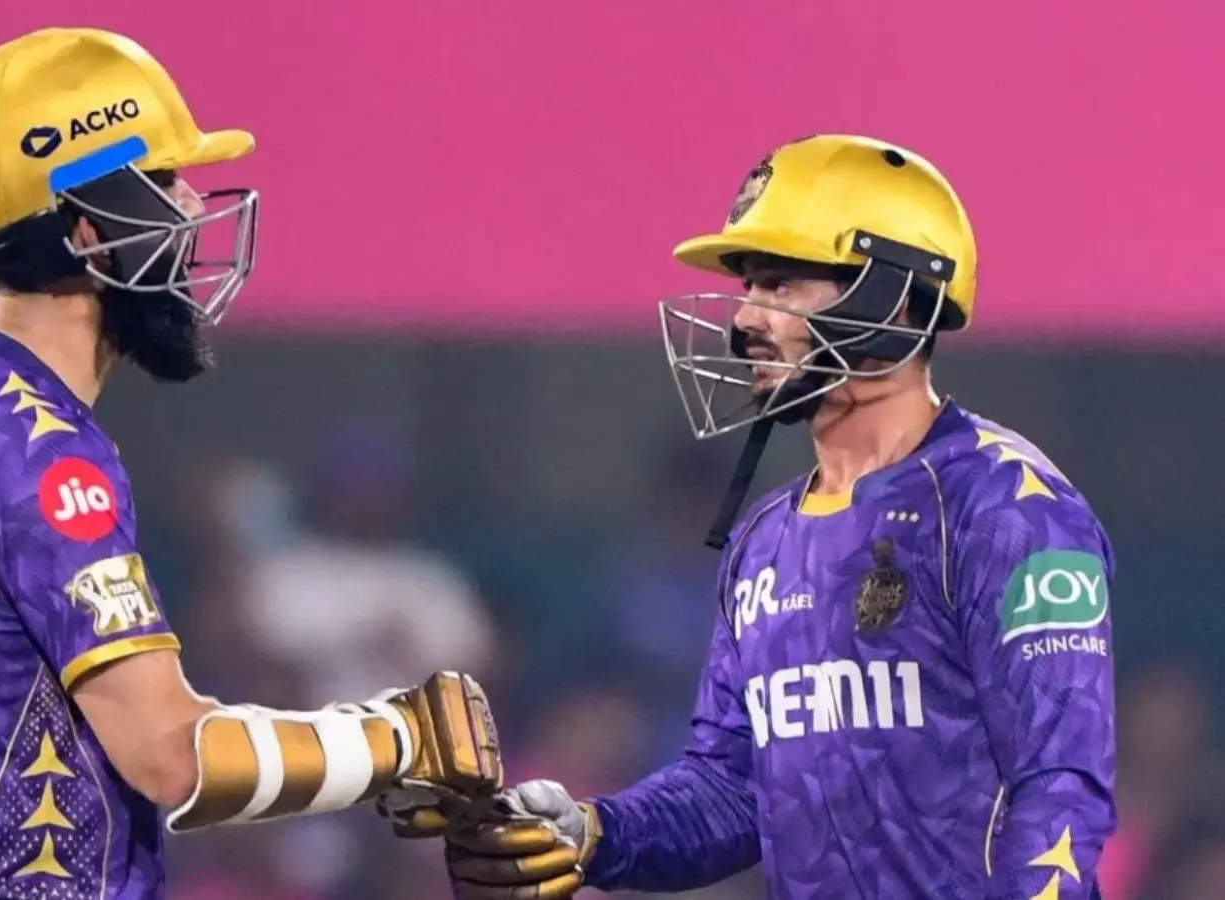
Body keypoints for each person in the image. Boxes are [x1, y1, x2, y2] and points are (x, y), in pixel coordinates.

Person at [0, 27, 501, 899]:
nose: (194, 208)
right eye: (164, 182)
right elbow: (170, 754)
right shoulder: (48, 457)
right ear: (89, 230)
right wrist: (395, 742)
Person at [391, 134, 1116, 899]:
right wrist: (593, 832)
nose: (744, 319)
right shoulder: (764, 540)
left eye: (780, 285)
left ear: (895, 298)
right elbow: (734, 789)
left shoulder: (1007, 506)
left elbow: (1059, 785)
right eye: (748, 287)